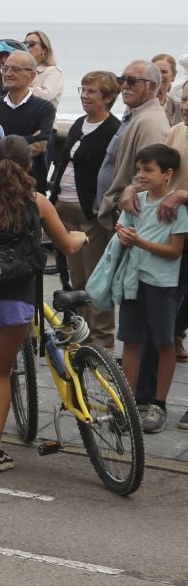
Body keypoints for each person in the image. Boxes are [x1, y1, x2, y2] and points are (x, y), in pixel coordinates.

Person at [0, 135, 89, 469]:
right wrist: (80, 237)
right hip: (17, 297)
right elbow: (67, 246)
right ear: (28, 165)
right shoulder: (37, 202)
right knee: (1, 371)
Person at [86, 61, 172, 345]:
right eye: (123, 79)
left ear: (151, 86)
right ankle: (99, 346)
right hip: (112, 212)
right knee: (103, 280)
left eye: (132, 81)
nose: (124, 85)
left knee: (111, 282)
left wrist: (130, 189)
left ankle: (102, 349)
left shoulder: (150, 121)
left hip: (126, 217)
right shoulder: (134, 114)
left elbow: (153, 168)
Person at [105, 144, 188, 433]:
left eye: (148, 170)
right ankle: (128, 402)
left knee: (165, 342)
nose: (141, 175)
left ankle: (159, 403)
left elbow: (174, 251)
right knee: (130, 340)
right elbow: (121, 231)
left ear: (168, 174)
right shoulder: (136, 201)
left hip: (162, 284)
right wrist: (124, 238)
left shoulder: (178, 209)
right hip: (133, 281)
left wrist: (139, 242)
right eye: (138, 169)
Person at [48, 70, 120, 292]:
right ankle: (80, 323)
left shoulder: (112, 129)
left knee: (94, 276)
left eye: (92, 91)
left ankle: (100, 327)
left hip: (89, 210)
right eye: (83, 90)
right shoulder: (79, 123)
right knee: (75, 275)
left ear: (107, 97)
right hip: (63, 205)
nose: (85, 96)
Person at [0, 48, 57, 188]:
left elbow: (41, 143)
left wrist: (1, 141)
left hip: (30, 186)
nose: (8, 73)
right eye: (5, 69)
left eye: (15, 69)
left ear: (31, 76)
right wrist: (29, 138)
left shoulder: (44, 108)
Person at [22, 30, 64, 106]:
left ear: (44, 49)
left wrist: (22, 88)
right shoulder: (21, 70)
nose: (27, 46)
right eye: (24, 44)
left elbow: (46, 95)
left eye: (32, 44)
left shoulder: (53, 71)